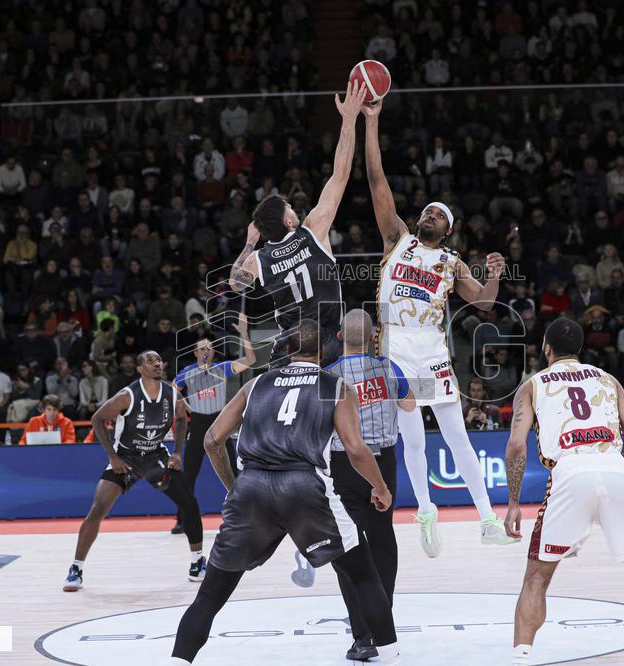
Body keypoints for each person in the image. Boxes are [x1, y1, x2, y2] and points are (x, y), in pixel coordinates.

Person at [168, 321, 401, 665]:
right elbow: (355, 448)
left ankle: (177, 661)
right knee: (364, 574)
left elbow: (212, 439)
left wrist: (234, 487)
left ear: (287, 350)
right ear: (323, 352)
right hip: (304, 486)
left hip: (252, 487)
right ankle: (393, 656)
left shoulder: (256, 383)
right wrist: (380, 487)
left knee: (210, 595)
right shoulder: (335, 385)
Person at [363, 98, 513, 554]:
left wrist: (494, 276)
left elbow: (484, 305)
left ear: (447, 230)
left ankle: (487, 517)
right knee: (412, 440)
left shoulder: (451, 263)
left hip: (431, 356)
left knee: (456, 437)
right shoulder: (397, 240)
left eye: (439, 216)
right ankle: (426, 511)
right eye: (427, 211)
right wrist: (372, 124)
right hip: (393, 354)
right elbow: (376, 180)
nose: (430, 216)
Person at [504, 319, 624, 666]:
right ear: (579, 351)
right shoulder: (606, 379)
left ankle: (521, 658)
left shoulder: (533, 384)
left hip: (569, 471)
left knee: (537, 576)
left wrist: (514, 503)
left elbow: (517, 445)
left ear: (547, 349)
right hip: (614, 467)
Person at [289, 309, 415, 662]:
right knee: (383, 541)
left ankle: (362, 636)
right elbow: (411, 402)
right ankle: (381, 618)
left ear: (340, 337)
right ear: (374, 337)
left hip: (343, 465)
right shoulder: (391, 368)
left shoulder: (326, 376)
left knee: (348, 547)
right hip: (382, 462)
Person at [228, 80, 367, 368]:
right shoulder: (313, 230)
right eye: (290, 207)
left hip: (287, 349)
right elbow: (340, 175)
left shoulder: (259, 259)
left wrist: (249, 243)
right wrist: (349, 119)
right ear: (289, 221)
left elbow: (234, 283)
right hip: (327, 343)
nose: (295, 209)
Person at [63, 351, 203, 591]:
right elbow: (97, 419)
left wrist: (178, 452)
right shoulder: (127, 396)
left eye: (159, 360)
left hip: (155, 458)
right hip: (126, 459)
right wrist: (113, 457)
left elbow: (181, 419)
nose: (157, 363)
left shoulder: (172, 394)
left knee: (189, 502)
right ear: (140, 369)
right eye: (150, 361)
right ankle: (76, 568)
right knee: (97, 509)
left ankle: (198, 562)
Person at [169, 313, 255, 571]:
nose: (205, 351)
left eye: (209, 348)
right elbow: (172, 389)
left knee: (233, 473)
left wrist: (244, 334)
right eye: (201, 348)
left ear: (214, 352)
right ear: (195, 353)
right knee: (188, 475)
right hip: (198, 425)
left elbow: (250, 360)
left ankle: (244, 515)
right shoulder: (187, 372)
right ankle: (181, 520)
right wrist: (180, 403)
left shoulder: (221, 368)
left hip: (220, 425)